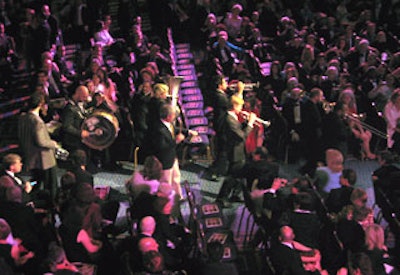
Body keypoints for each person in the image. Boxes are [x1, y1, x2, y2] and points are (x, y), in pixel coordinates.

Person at [215, 95, 256, 207]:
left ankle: (235, 195)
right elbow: (241, 136)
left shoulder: (233, 117)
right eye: (240, 106)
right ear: (234, 105)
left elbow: (238, 130)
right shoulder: (229, 119)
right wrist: (250, 124)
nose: (242, 108)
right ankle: (221, 198)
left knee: (240, 175)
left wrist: (245, 123)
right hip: (234, 151)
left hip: (238, 150)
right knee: (232, 176)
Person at [151, 103, 197, 200]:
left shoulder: (168, 124)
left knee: (176, 177)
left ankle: (178, 197)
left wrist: (187, 131)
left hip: (172, 157)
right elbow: (162, 148)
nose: (174, 117)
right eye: (173, 115)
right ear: (168, 116)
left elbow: (174, 129)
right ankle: (166, 201)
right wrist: (176, 141)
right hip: (164, 160)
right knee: (166, 181)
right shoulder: (158, 129)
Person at [18, 92, 59, 200]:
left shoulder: (23, 118)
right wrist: (53, 144)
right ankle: (51, 205)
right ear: (41, 104)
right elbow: (41, 141)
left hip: (31, 156)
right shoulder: (37, 122)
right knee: (51, 186)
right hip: (44, 159)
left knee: (35, 182)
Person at [61, 85, 90, 153]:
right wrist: (80, 133)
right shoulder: (69, 108)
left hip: (79, 140)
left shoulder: (79, 105)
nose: (85, 99)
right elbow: (67, 127)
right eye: (84, 96)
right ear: (78, 94)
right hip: (73, 142)